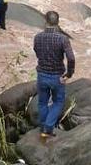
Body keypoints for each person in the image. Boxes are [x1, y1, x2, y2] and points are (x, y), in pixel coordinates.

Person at [33, 11, 75, 140]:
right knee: (58, 102)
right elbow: (71, 58)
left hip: (42, 74)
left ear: (45, 21)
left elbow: (36, 51)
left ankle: (43, 127)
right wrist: (69, 74)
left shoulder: (38, 37)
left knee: (42, 102)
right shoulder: (63, 39)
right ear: (58, 22)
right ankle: (48, 128)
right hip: (57, 76)